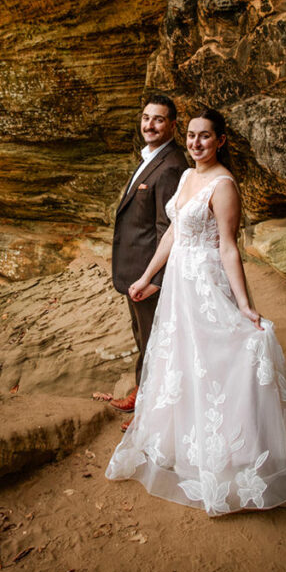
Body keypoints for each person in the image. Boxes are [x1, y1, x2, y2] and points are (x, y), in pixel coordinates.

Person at [106, 108, 286, 515]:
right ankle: (185, 444)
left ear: (221, 141)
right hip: (179, 281)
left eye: (205, 137)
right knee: (180, 358)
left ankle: (234, 456)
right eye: (192, 136)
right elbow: (175, 234)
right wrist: (147, 277)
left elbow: (229, 247)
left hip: (206, 281)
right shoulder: (184, 176)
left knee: (217, 361)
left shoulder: (224, 184)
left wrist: (246, 304)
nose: (196, 143)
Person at [110, 95, 189, 429]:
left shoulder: (172, 166)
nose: (149, 125)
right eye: (146, 118)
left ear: (172, 125)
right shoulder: (150, 156)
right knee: (142, 335)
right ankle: (143, 392)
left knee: (155, 339)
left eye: (158, 119)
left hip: (149, 273)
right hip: (135, 270)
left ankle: (150, 410)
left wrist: (155, 277)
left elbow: (167, 228)